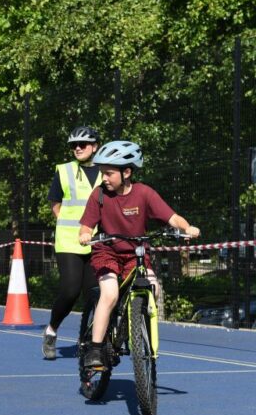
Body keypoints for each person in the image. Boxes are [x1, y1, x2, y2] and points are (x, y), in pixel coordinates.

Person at [78, 140, 200, 368]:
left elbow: (172, 217)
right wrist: (85, 235)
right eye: (102, 173)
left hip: (137, 253)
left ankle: (138, 327)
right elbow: (86, 227)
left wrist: (187, 228)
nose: (104, 178)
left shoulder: (145, 193)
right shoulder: (99, 195)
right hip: (107, 252)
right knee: (110, 293)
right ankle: (95, 349)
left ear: (127, 172)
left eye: (109, 173)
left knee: (153, 286)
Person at [42, 126, 102, 360]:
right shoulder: (64, 171)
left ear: (95, 146)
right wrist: (71, 225)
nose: (77, 148)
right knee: (70, 290)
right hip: (69, 241)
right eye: (73, 145)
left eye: (83, 144)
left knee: (94, 294)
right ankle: (51, 330)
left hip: (98, 242)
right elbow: (55, 203)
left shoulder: (107, 172)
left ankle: (88, 339)